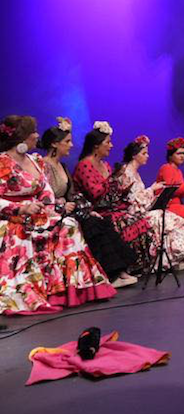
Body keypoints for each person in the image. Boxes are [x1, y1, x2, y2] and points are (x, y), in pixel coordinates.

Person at [0, 115, 116, 314]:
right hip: (13, 216)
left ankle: (67, 290)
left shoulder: (34, 160)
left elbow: (45, 189)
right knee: (24, 234)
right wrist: (20, 208)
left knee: (69, 224)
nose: (37, 135)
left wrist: (46, 206)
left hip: (39, 212)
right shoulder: (3, 162)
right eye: (32, 133)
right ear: (21, 138)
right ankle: (32, 287)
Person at [40, 117, 136, 287]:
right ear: (55, 144)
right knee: (92, 224)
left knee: (99, 220)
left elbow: (72, 194)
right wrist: (61, 206)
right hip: (53, 211)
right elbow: (43, 194)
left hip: (70, 208)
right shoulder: (44, 165)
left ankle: (121, 270)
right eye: (67, 141)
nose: (71, 145)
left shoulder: (62, 166)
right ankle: (111, 273)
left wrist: (86, 209)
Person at [111, 135, 184, 271]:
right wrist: (152, 190)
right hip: (131, 213)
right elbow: (131, 199)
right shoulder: (126, 172)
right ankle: (163, 262)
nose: (147, 156)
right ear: (135, 155)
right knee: (164, 217)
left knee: (167, 217)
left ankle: (170, 259)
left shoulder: (135, 173)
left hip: (141, 210)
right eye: (144, 153)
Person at [72, 122, 145, 286]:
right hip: (94, 210)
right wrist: (112, 180)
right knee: (123, 222)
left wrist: (122, 188)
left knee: (138, 219)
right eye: (108, 143)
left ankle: (132, 266)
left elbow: (112, 192)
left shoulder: (105, 165)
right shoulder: (84, 165)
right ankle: (116, 271)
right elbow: (95, 194)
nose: (111, 146)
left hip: (111, 207)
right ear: (96, 146)